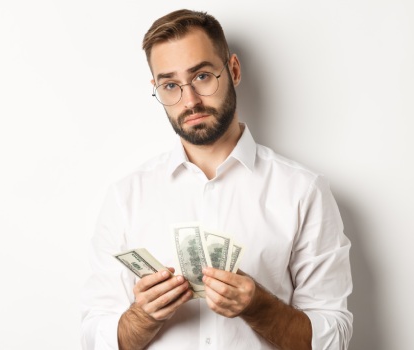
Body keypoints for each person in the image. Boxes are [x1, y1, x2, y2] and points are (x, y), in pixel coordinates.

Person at [79, 9, 353, 350]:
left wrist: (259, 307)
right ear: (157, 89)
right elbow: (94, 336)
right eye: (170, 85)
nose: (190, 101)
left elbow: (334, 338)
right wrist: (143, 317)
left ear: (233, 70)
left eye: (202, 76)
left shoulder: (303, 191)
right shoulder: (125, 198)